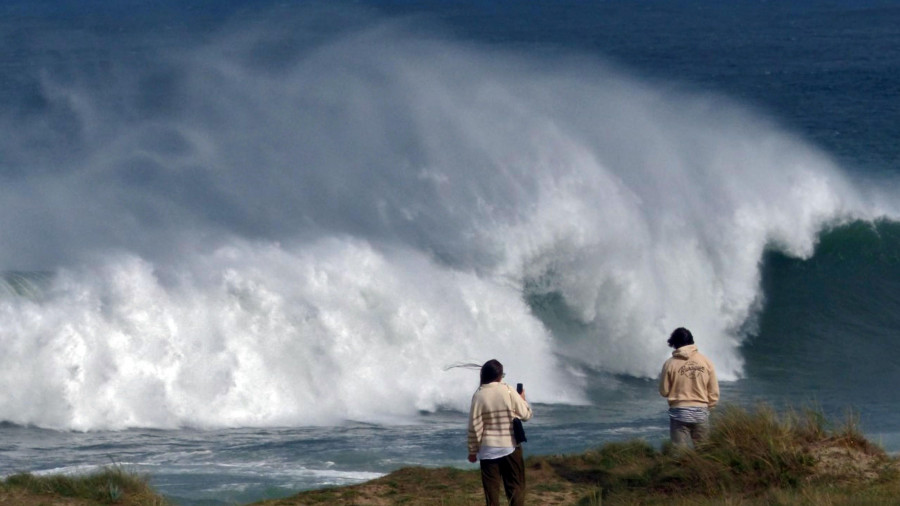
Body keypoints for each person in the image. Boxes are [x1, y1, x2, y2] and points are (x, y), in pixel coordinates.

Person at [467, 359, 532, 506]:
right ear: (499, 376)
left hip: (487, 450)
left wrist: (472, 451)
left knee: (491, 495)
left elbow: (474, 427)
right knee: (515, 488)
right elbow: (526, 415)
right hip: (510, 446)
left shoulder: (478, 395)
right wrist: (523, 401)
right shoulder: (508, 390)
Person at [658, 327, 719, 447]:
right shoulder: (706, 361)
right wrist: (706, 407)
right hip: (701, 411)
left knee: (679, 454)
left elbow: (664, 391)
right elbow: (714, 392)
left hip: (679, 412)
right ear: (691, 341)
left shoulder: (669, 363)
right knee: (703, 451)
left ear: (674, 343)